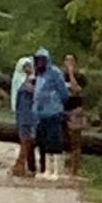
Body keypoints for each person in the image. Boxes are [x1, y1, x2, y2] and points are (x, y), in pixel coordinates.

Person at [32, 47, 69, 181]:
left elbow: (63, 92)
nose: (40, 62)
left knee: (55, 140)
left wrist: (57, 103)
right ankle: (46, 169)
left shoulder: (55, 73)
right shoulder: (38, 74)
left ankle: (56, 171)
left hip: (53, 111)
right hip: (40, 114)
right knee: (43, 141)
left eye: (43, 60)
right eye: (38, 60)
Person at [10, 56, 37, 177]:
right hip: (24, 114)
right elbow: (32, 90)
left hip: (29, 113)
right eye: (26, 66)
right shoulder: (21, 80)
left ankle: (23, 166)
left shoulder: (26, 79)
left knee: (27, 141)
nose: (29, 68)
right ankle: (19, 166)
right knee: (26, 140)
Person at [63, 53, 87, 177]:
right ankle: (64, 165)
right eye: (67, 60)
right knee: (62, 139)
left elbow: (77, 90)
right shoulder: (60, 76)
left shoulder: (80, 77)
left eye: (71, 60)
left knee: (75, 141)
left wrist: (71, 74)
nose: (69, 63)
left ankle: (74, 170)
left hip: (75, 110)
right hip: (62, 110)